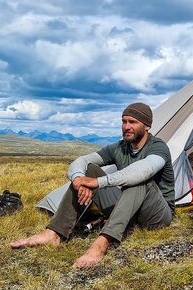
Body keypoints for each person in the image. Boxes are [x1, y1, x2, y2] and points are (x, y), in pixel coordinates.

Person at [10, 102, 175, 269]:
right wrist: (79, 180)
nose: (126, 126)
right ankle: (54, 233)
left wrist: (97, 182)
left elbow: (143, 171)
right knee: (90, 170)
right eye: (124, 121)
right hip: (129, 210)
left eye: (132, 122)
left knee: (138, 180)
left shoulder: (158, 147)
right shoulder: (119, 147)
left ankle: (101, 243)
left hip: (157, 216)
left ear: (146, 126)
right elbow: (82, 161)